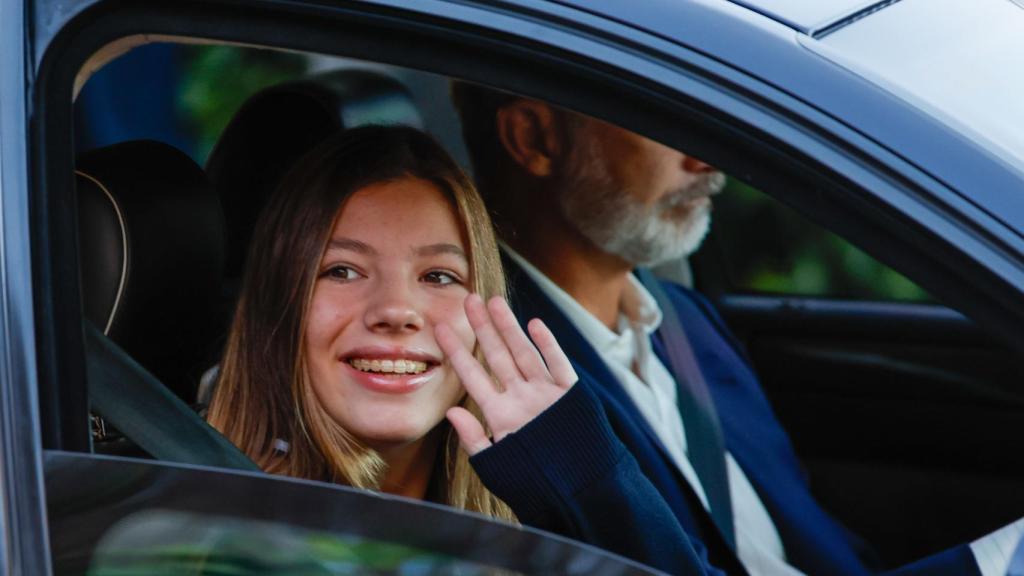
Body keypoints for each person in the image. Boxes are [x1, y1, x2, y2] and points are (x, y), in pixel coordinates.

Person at [450, 83, 1024, 576]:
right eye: (659, 120)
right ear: (533, 137)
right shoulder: (495, 373)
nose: (705, 159)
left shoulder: (686, 320)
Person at [206, 125, 714, 574]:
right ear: (280, 306)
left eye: (438, 276)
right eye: (341, 270)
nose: (396, 310)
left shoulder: (529, 526)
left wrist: (586, 481)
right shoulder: (212, 536)